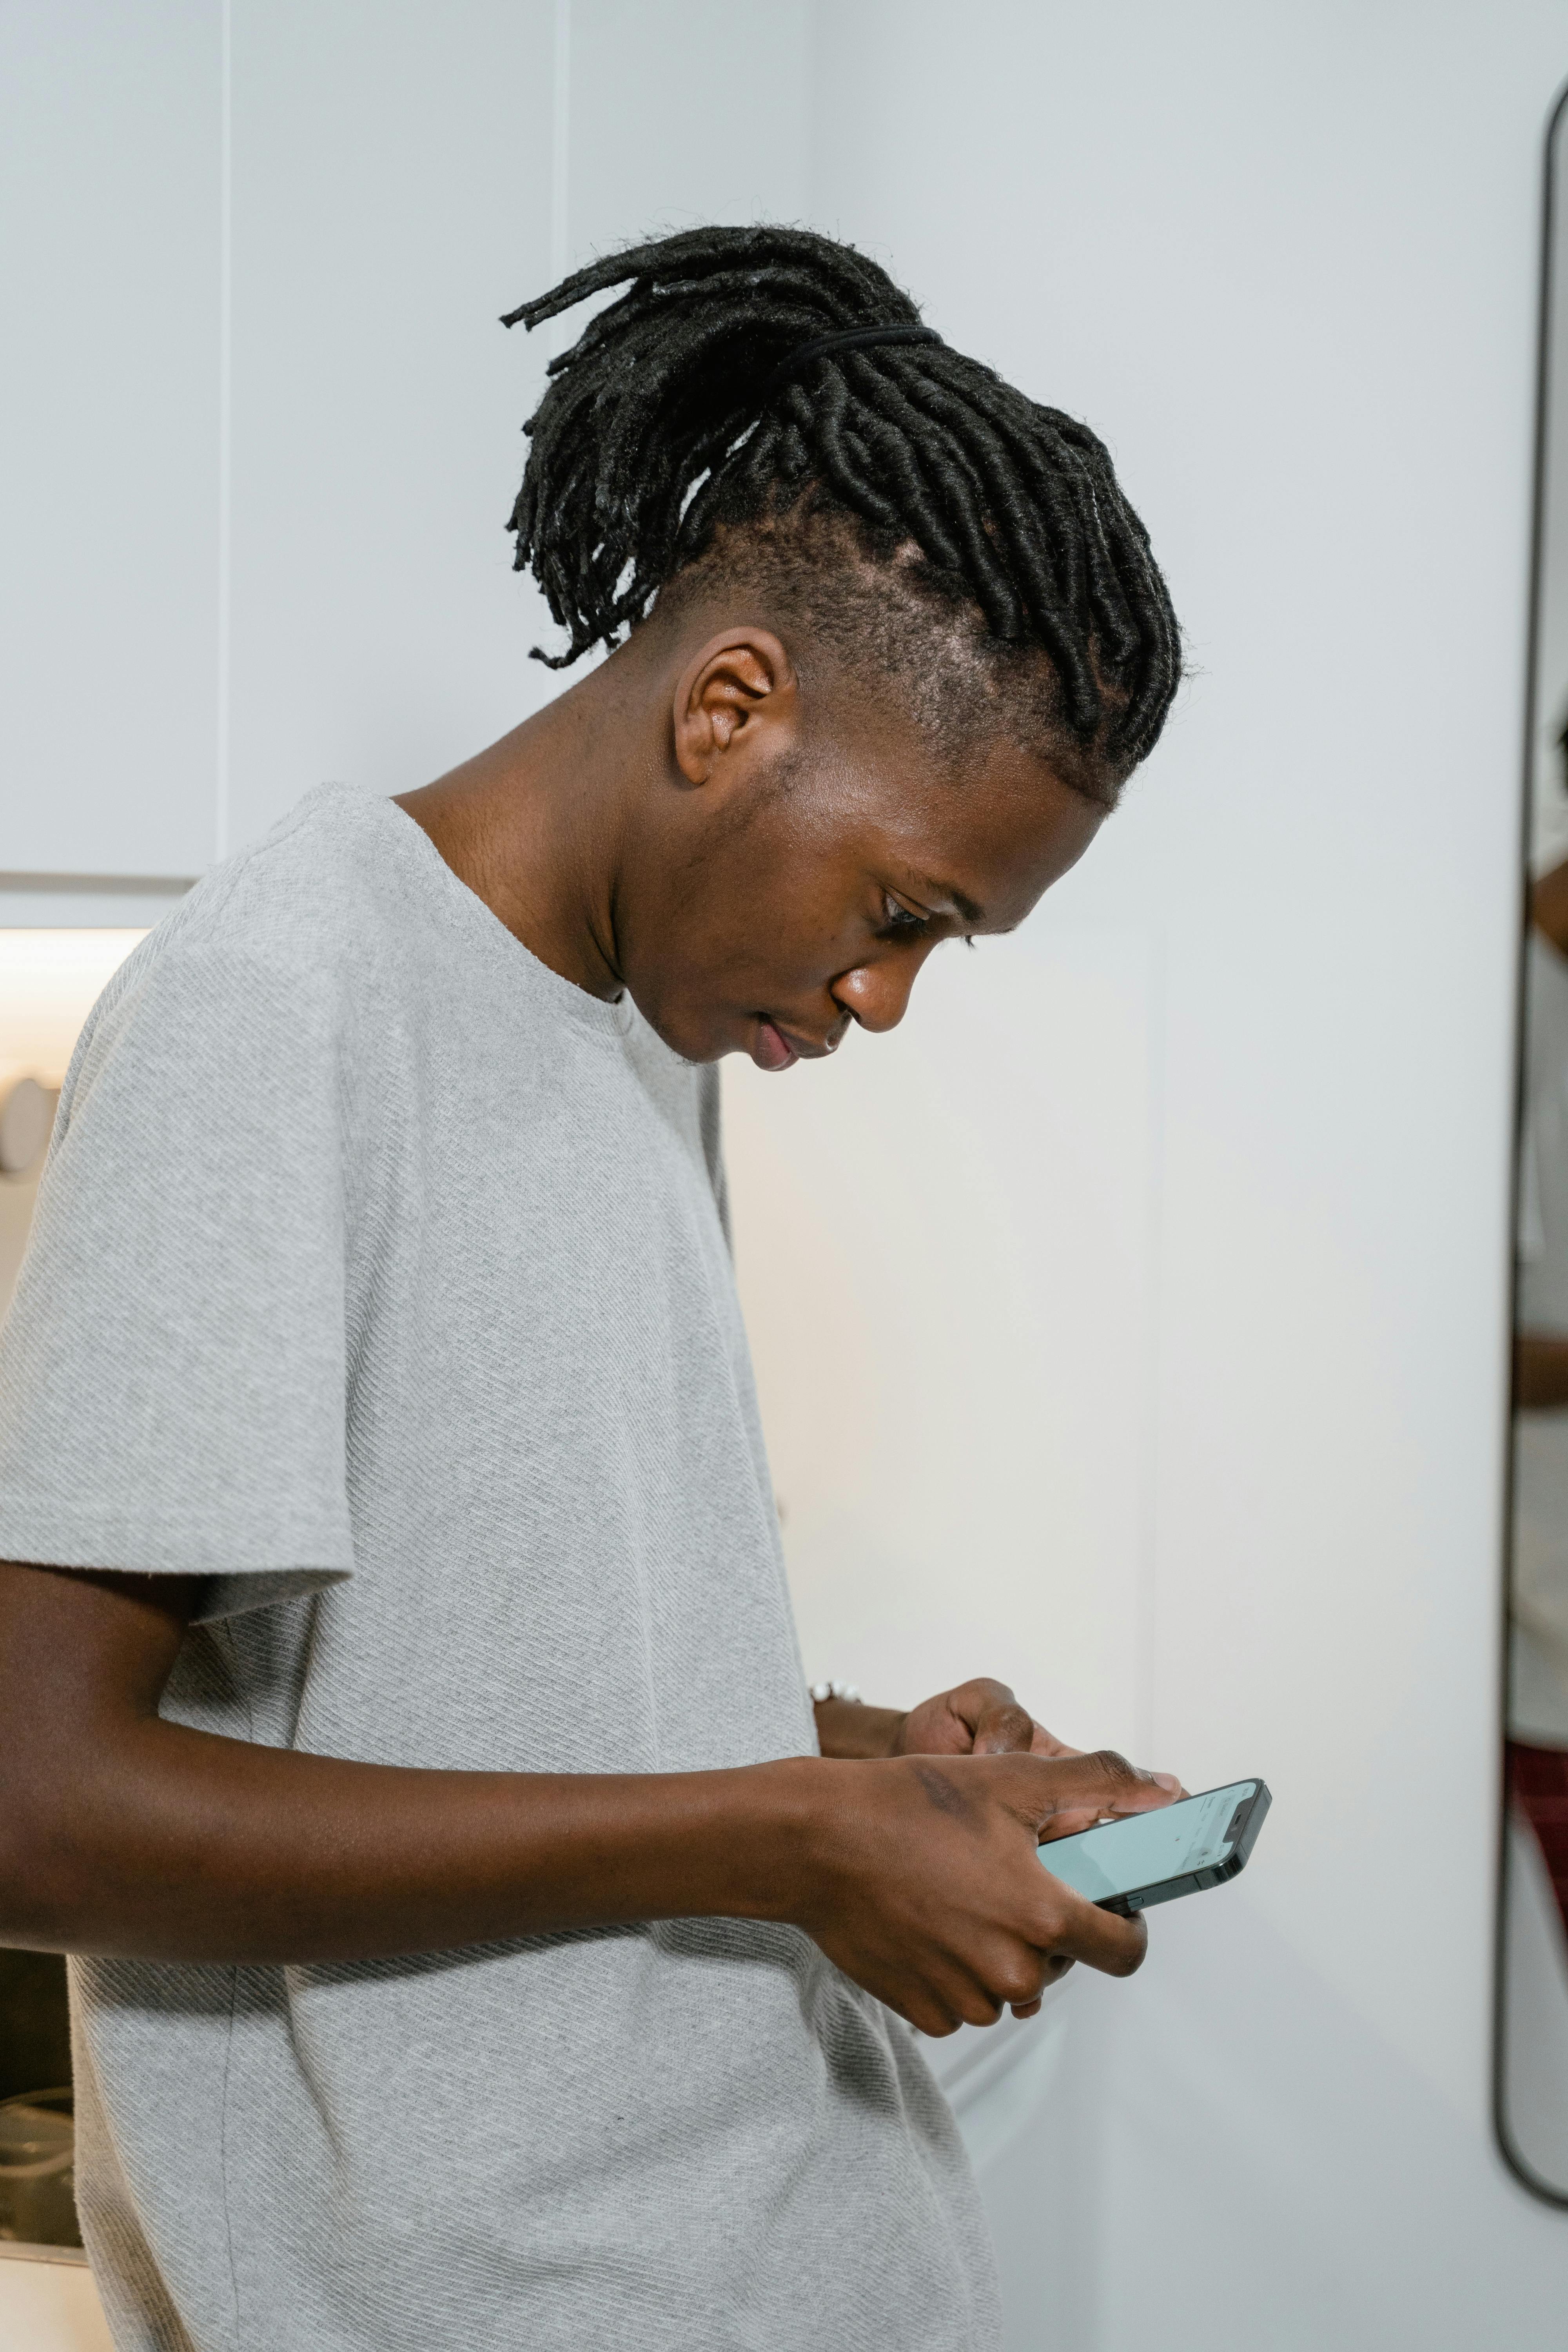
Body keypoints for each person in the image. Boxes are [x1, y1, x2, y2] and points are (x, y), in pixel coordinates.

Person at [0, 227, 1185, 2351]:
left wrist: (877, 1772)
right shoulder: (284, 1012)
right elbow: (34, 1797)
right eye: (904, 909)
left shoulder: (632, 1042)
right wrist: (788, 1836)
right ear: (733, 709)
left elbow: (488, 1684)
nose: (889, 996)